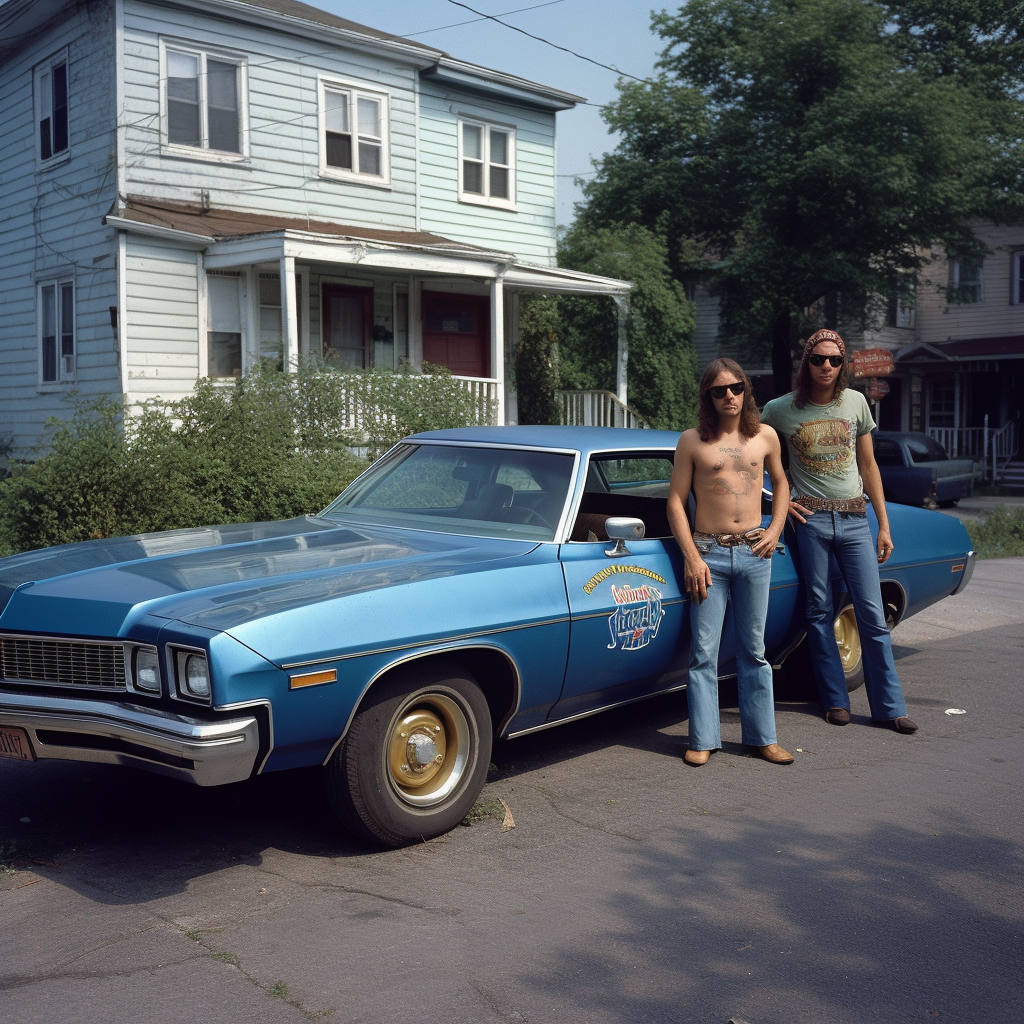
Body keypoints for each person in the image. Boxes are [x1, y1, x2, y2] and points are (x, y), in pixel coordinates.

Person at [761, 328, 918, 733]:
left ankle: (889, 706)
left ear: (843, 364)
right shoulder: (781, 409)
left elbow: (869, 467)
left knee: (870, 613)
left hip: (854, 521)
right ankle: (834, 700)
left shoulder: (856, 403)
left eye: (834, 360)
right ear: (806, 364)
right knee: (818, 610)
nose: (826, 366)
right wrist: (782, 495)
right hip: (809, 522)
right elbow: (753, 448)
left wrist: (883, 524)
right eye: (818, 359)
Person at [667, 358, 793, 767]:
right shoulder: (692, 441)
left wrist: (775, 530)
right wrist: (691, 557)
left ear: (746, 390)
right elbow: (674, 502)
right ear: (708, 395)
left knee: (754, 650)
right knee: (704, 652)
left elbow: (782, 484)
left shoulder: (765, 436)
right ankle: (704, 739)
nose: (729, 396)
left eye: (736, 388)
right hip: (709, 555)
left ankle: (763, 738)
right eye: (719, 390)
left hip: (756, 552)